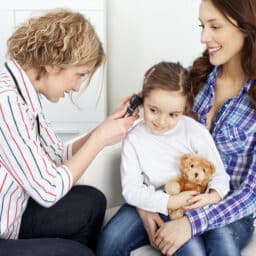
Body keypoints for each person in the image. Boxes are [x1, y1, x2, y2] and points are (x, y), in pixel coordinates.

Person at [0, 9, 138, 256]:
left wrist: (103, 129)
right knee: (77, 253)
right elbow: (48, 189)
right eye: (79, 75)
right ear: (54, 63)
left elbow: (56, 155)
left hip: (12, 216)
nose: (76, 87)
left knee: (91, 201)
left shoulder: (24, 94)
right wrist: (98, 140)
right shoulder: (6, 103)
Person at [129, 1, 256, 256]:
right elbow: (146, 137)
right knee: (109, 242)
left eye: (214, 26)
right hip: (171, 194)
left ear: (246, 27)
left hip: (228, 212)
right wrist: (144, 202)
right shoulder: (191, 79)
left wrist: (191, 223)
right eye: (202, 26)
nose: (203, 37)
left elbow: (252, 192)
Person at [96, 61, 230, 256]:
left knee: (193, 253)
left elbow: (220, 177)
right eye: (153, 110)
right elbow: (132, 190)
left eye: (173, 114)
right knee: (109, 241)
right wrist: (170, 202)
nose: (161, 121)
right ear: (142, 101)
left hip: (189, 205)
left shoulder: (194, 132)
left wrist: (211, 196)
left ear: (184, 108)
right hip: (149, 201)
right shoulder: (134, 137)